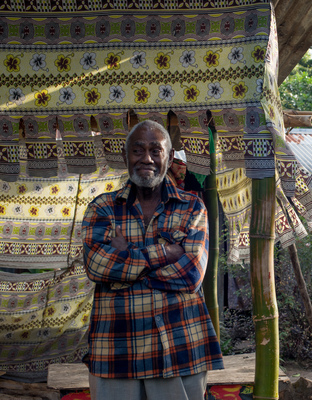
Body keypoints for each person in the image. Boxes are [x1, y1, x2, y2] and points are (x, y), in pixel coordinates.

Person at [82, 120, 223, 400]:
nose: (146, 158)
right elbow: (97, 266)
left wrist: (124, 260)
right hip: (116, 348)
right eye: (138, 150)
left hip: (179, 345)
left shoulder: (192, 206)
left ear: (169, 158)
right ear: (126, 157)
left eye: (155, 151)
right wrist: (166, 253)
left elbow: (191, 275)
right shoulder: (102, 207)